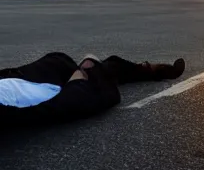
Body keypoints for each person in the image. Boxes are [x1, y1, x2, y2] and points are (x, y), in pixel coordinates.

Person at [0, 52, 185, 128]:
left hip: (33, 76)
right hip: (55, 92)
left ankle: (150, 70)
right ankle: (153, 70)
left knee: (107, 68)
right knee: (102, 72)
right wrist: (75, 86)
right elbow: (39, 114)